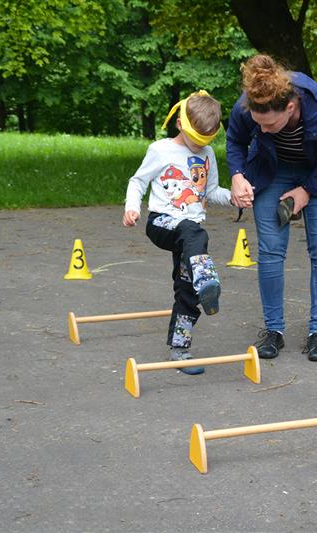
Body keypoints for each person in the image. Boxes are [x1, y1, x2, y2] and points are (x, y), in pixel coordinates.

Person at [226, 54, 317, 362]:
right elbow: (235, 140)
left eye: (270, 124)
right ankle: (274, 331)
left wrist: (308, 191)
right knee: (271, 250)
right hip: (272, 170)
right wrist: (236, 175)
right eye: (260, 125)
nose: (265, 130)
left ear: (290, 107)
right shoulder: (247, 108)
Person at [123, 90, 232, 375]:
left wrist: (233, 197)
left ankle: (180, 350)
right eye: (196, 140)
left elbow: (210, 192)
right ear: (181, 125)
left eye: (206, 141)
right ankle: (206, 278)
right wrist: (132, 208)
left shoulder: (207, 154)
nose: (199, 146)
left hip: (190, 239)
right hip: (162, 223)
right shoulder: (160, 150)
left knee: (187, 291)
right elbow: (138, 181)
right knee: (194, 232)